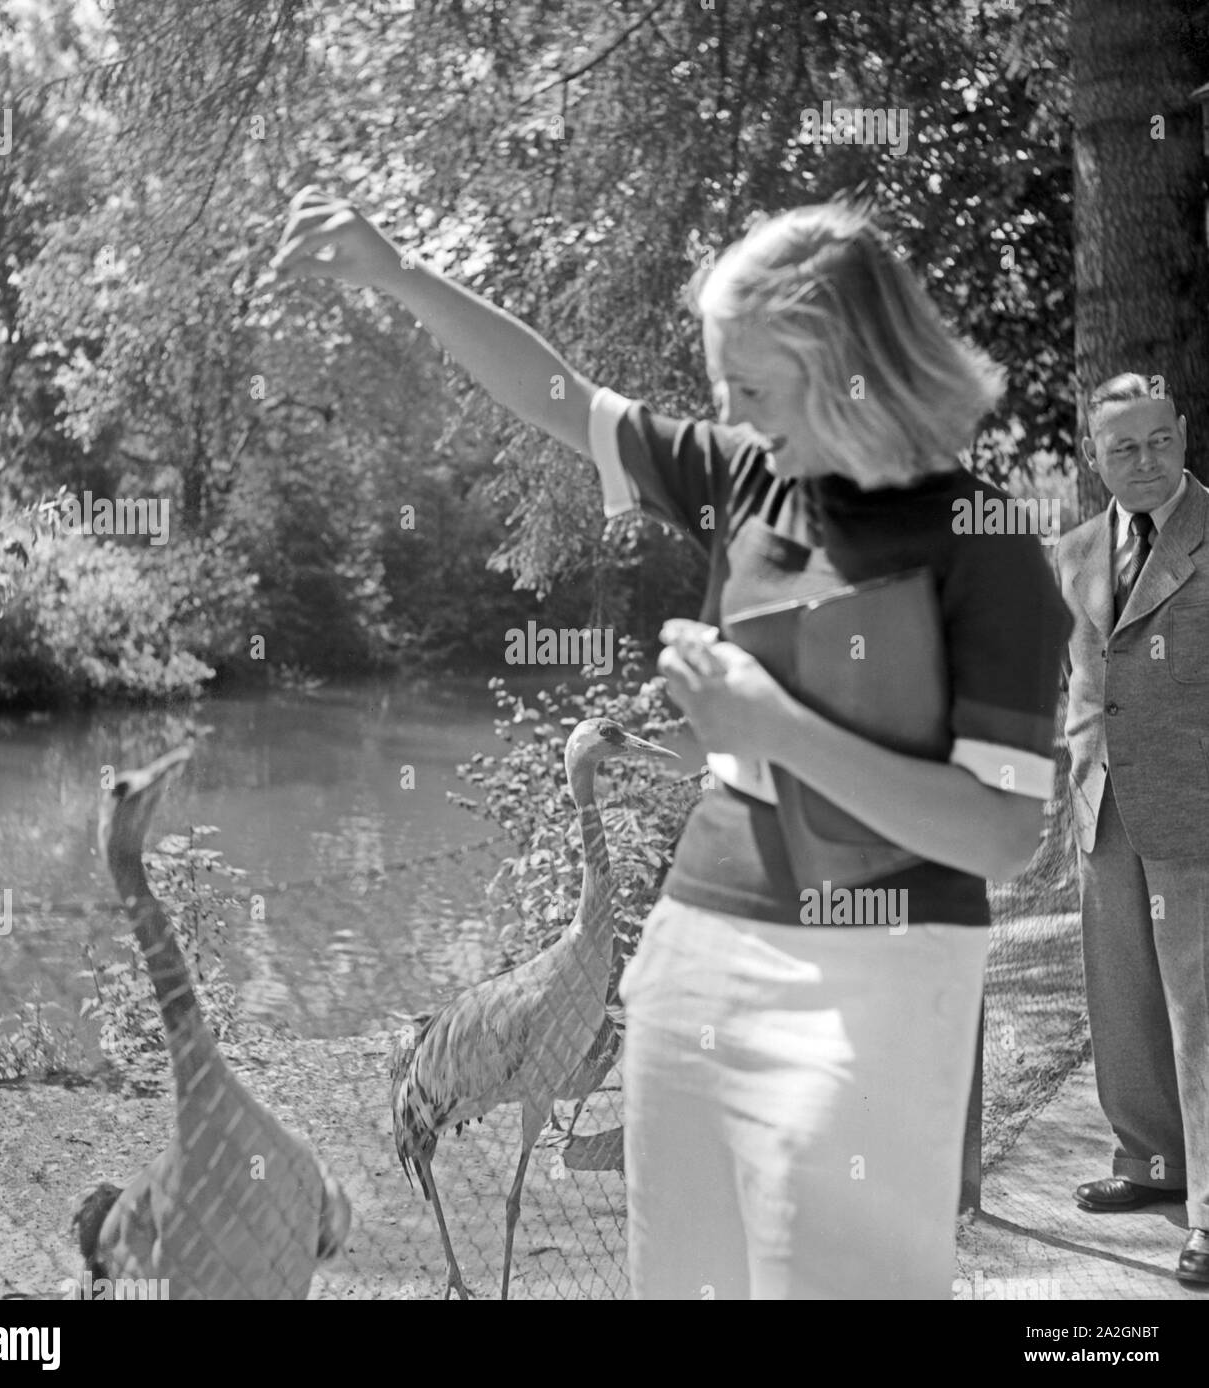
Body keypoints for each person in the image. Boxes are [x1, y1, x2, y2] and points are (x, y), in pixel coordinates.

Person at [271, 190, 1070, 1298]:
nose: (728, 411)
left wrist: (771, 727)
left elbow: (1003, 832)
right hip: (694, 965)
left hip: (876, 987)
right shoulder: (745, 477)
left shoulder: (986, 549)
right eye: (717, 388)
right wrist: (400, 271)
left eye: (749, 387)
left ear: (848, 366)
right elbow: (559, 397)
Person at [1055, 373, 1209, 1283]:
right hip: (1102, 807)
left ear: (1184, 434)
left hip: (1197, 809)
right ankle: (1153, 1165)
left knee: (1203, 1015)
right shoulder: (1075, 551)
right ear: (1093, 456)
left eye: (1159, 441)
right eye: (1124, 448)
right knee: (1125, 1004)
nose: (1145, 461)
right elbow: (1081, 676)